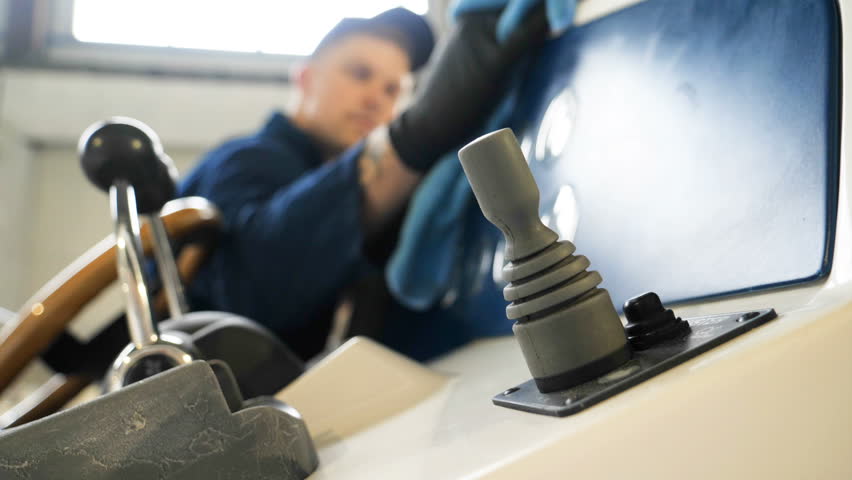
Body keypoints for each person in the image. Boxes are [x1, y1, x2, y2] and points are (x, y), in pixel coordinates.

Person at [177, 6, 549, 361]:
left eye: (392, 90)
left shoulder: (346, 180)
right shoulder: (242, 159)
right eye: (359, 74)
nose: (375, 99)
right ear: (305, 78)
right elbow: (253, 293)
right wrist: (416, 134)